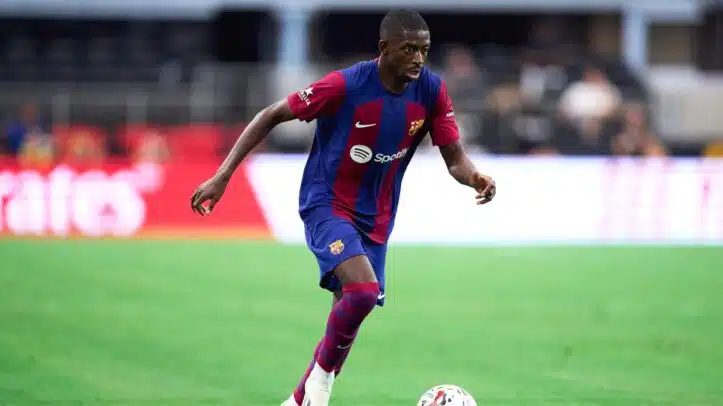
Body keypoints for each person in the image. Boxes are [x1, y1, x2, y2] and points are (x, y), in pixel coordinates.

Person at [190, 9, 497, 406]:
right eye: (409, 49)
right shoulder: (345, 85)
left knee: (350, 309)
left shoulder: (431, 90)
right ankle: (316, 391)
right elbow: (271, 115)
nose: (419, 58)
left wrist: (474, 177)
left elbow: (454, 158)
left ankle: (299, 400)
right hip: (327, 204)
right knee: (363, 291)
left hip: (378, 217)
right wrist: (223, 176)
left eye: (424, 50)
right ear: (384, 48)